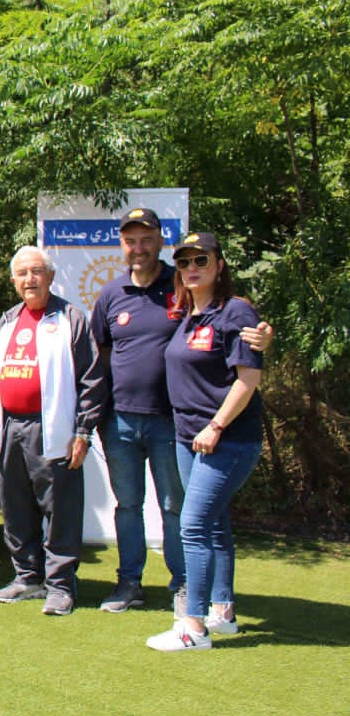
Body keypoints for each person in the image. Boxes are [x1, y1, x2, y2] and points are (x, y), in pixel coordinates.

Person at [93, 208, 272, 614]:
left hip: (172, 421)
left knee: (178, 508)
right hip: (120, 419)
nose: (138, 247)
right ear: (122, 245)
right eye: (130, 240)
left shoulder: (179, 290)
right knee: (127, 505)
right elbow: (101, 356)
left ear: (159, 241)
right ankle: (130, 583)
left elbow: (230, 328)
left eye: (146, 239)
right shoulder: (110, 295)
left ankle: (184, 585)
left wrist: (261, 336)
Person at [147, 232, 264, 651]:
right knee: (214, 525)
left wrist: (215, 427)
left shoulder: (236, 312)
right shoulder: (188, 315)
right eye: (184, 262)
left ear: (219, 265)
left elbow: (248, 379)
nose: (192, 268)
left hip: (226, 440)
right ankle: (223, 612)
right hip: (187, 438)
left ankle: (193, 628)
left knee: (193, 525)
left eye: (201, 260)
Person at [0, 246, 108, 616]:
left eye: (36, 272)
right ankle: (27, 576)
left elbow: (91, 379)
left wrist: (83, 431)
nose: (29, 279)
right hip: (10, 428)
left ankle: (61, 585)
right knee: (16, 507)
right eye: (22, 273)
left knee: (60, 509)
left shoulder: (71, 318)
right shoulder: (7, 321)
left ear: (50, 277)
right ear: (13, 281)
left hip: (53, 429)